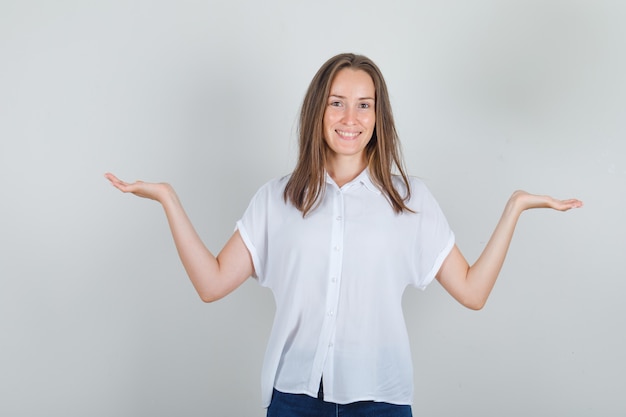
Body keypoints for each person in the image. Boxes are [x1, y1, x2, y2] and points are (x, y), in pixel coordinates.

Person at [105, 53, 582, 417]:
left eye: (363, 105)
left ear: (378, 117)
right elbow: (211, 284)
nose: (349, 118)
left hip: (381, 402)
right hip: (293, 400)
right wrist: (168, 198)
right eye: (337, 103)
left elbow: (473, 292)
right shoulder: (277, 199)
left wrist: (515, 207)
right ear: (318, 110)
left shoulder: (410, 200)